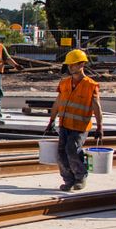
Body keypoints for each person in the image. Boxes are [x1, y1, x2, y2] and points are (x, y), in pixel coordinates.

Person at [45, 48, 103, 192]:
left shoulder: (91, 85)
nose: (70, 67)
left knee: (72, 149)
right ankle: (68, 180)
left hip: (80, 126)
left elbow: (97, 108)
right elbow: (58, 103)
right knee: (61, 153)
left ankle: (80, 177)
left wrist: (100, 127)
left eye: (73, 64)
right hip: (64, 124)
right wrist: (51, 121)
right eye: (69, 65)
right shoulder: (64, 83)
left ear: (81, 64)